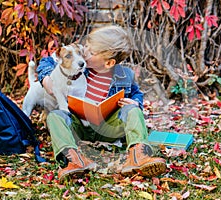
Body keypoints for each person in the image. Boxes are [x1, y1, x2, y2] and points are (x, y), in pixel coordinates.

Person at [36, 25, 166, 181]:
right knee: (55, 116)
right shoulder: (77, 67)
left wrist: (135, 102)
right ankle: (72, 160)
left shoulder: (125, 76)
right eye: (86, 48)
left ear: (109, 63)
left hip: (109, 127)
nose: (84, 53)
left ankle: (139, 155)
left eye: (90, 52)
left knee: (132, 109)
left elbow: (136, 93)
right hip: (79, 126)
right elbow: (46, 61)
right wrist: (45, 78)